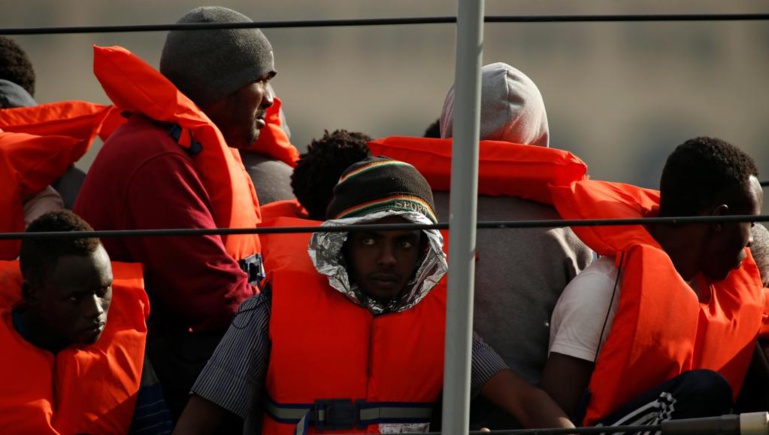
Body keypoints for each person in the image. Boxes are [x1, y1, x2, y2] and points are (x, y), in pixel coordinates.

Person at [174, 157, 575, 434]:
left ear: (423, 251)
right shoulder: (270, 308)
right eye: (369, 240)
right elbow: (200, 420)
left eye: (404, 244)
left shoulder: (444, 323)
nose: (387, 259)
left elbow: (524, 400)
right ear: (341, 244)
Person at [74, 6, 276, 419]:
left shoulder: (174, 146)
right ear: (226, 88)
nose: (272, 100)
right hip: (134, 386)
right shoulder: (154, 159)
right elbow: (217, 299)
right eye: (262, 81)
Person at [368, 62, 593, 429]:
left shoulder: (408, 217)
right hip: (529, 417)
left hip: (415, 417)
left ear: (450, 122)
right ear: (539, 131)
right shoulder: (572, 234)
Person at [542, 137, 765, 429]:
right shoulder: (601, 290)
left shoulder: (719, 293)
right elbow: (552, 410)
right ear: (719, 219)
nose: (752, 238)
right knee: (705, 389)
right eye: (749, 222)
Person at [0, 210, 168, 433]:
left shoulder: (128, 347)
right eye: (75, 298)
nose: (96, 311)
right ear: (31, 294)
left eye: (102, 291)